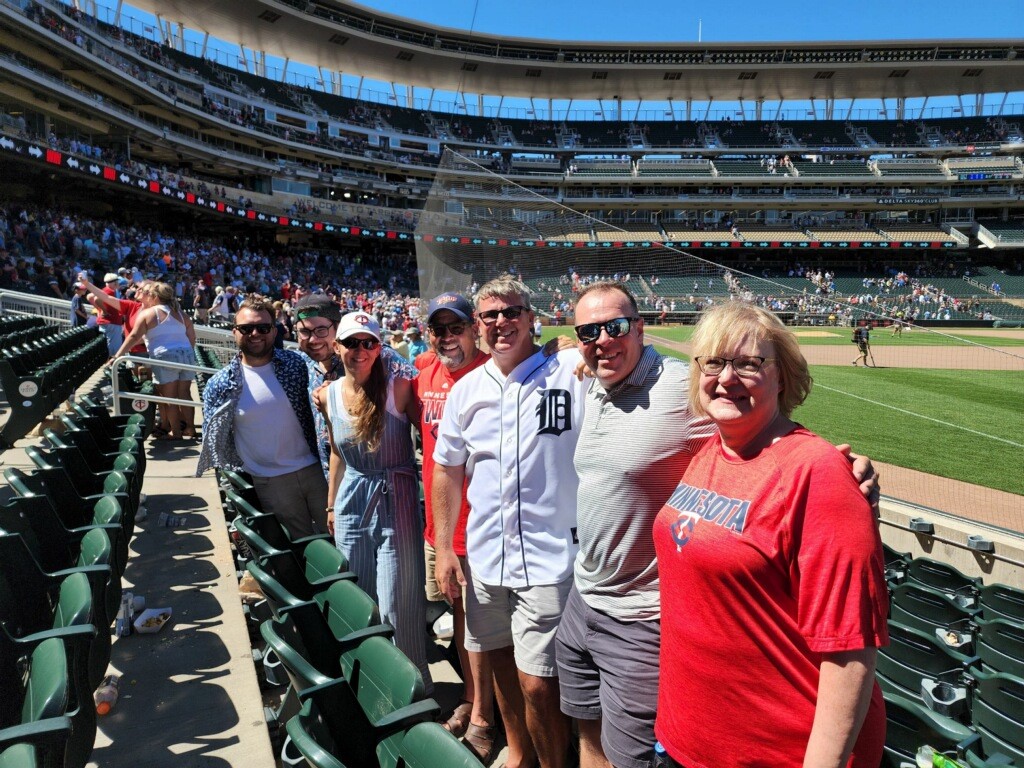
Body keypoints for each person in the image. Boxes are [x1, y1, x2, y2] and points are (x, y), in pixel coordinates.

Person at [654, 301, 888, 768]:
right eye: (714, 362)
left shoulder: (817, 472)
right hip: (687, 740)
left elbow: (849, 651)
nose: (726, 378)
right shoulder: (710, 451)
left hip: (777, 750)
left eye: (748, 363)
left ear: (783, 377)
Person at [434, 274, 587, 768]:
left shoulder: (570, 370)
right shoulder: (466, 390)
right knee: (499, 665)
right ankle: (518, 753)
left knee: (540, 683)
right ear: (478, 325)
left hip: (550, 558)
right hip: (484, 556)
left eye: (512, 312)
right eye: (490, 315)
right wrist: (442, 550)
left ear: (530, 316)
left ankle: (553, 763)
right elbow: (446, 470)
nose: (502, 323)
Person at [321, 311, 432, 688]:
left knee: (398, 604)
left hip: (395, 495)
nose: (360, 350)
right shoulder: (328, 394)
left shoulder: (398, 388)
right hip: (352, 496)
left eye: (369, 342)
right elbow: (337, 452)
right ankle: (369, 680)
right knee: (359, 597)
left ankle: (414, 688)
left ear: (379, 347)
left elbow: (432, 438)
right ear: (338, 347)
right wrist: (332, 504)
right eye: (352, 342)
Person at [417, 293, 496, 760]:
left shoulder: (492, 374)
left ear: (474, 329)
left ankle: (483, 711)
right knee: (461, 623)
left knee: (479, 627)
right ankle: (472, 697)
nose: (448, 337)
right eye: (439, 329)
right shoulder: (424, 375)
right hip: (440, 528)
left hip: (480, 527)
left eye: (457, 327)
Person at [197, 294, 328, 539]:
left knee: (339, 542)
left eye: (263, 327)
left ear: (274, 331)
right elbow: (216, 443)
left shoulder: (298, 364)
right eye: (246, 328)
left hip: (316, 470)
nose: (255, 333)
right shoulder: (220, 384)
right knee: (300, 551)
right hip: (270, 481)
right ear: (234, 332)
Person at [110, 281, 198, 440]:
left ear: (155, 297)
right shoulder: (181, 314)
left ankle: (176, 433)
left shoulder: (148, 313)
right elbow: (192, 338)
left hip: (165, 356)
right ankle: (190, 429)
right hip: (187, 354)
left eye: (149, 294)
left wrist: (117, 355)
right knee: (185, 394)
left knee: (169, 397)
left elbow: (134, 336)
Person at [95, 272, 124, 357]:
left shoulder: (107, 290)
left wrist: (100, 310)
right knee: (114, 349)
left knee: (110, 347)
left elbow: (91, 297)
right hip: (111, 323)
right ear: (114, 282)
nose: (118, 283)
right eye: (117, 282)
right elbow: (96, 299)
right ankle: (112, 366)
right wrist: (103, 310)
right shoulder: (109, 291)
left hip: (110, 322)